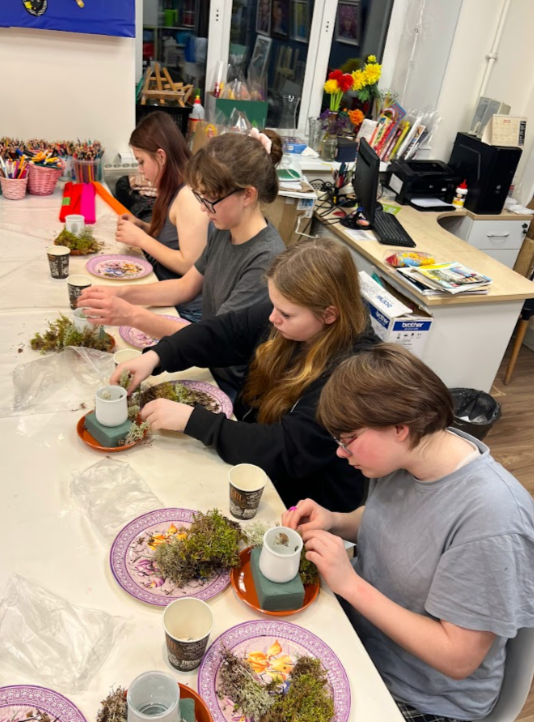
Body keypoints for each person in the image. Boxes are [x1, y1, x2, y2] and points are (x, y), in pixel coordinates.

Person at [282, 344, 534, 722]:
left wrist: (349, 584)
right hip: (362, 639)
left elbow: (458, 658)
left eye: (348, 440)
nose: (341, 453)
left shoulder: (492, 520)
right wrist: (334, 520)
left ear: (400, 428)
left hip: (422, 696)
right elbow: (393, 523)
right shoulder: (409, 457)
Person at [111, 238, 378, 511]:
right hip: (255, 454)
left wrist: (194, 421)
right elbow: (223, 331)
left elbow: (284, 449)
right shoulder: (292, 318)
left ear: (329, 315)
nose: (272, 318)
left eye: (286, 314)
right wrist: (156, 356)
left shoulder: (354, 377)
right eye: (273, 305)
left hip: (299, 501)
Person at [79, 129, 286, 391]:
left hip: (227, 381)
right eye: (201, 197)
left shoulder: (266, 260)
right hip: (204, 357)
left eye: (211, 199)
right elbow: (184, 287)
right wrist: (121, 293)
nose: (202, 207)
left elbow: (214, 341)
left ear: (247, 195)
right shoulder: (226, 229)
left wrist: (131, 315)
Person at [114, 111, 209, 321]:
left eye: (141, 162)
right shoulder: (174, 187)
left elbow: (189, 264)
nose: (140, 171)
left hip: (186, 310)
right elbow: (175, 237)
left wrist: (142, 239)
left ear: (161, 157)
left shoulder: (189, 197)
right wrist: (143, 227)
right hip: (170, 292)